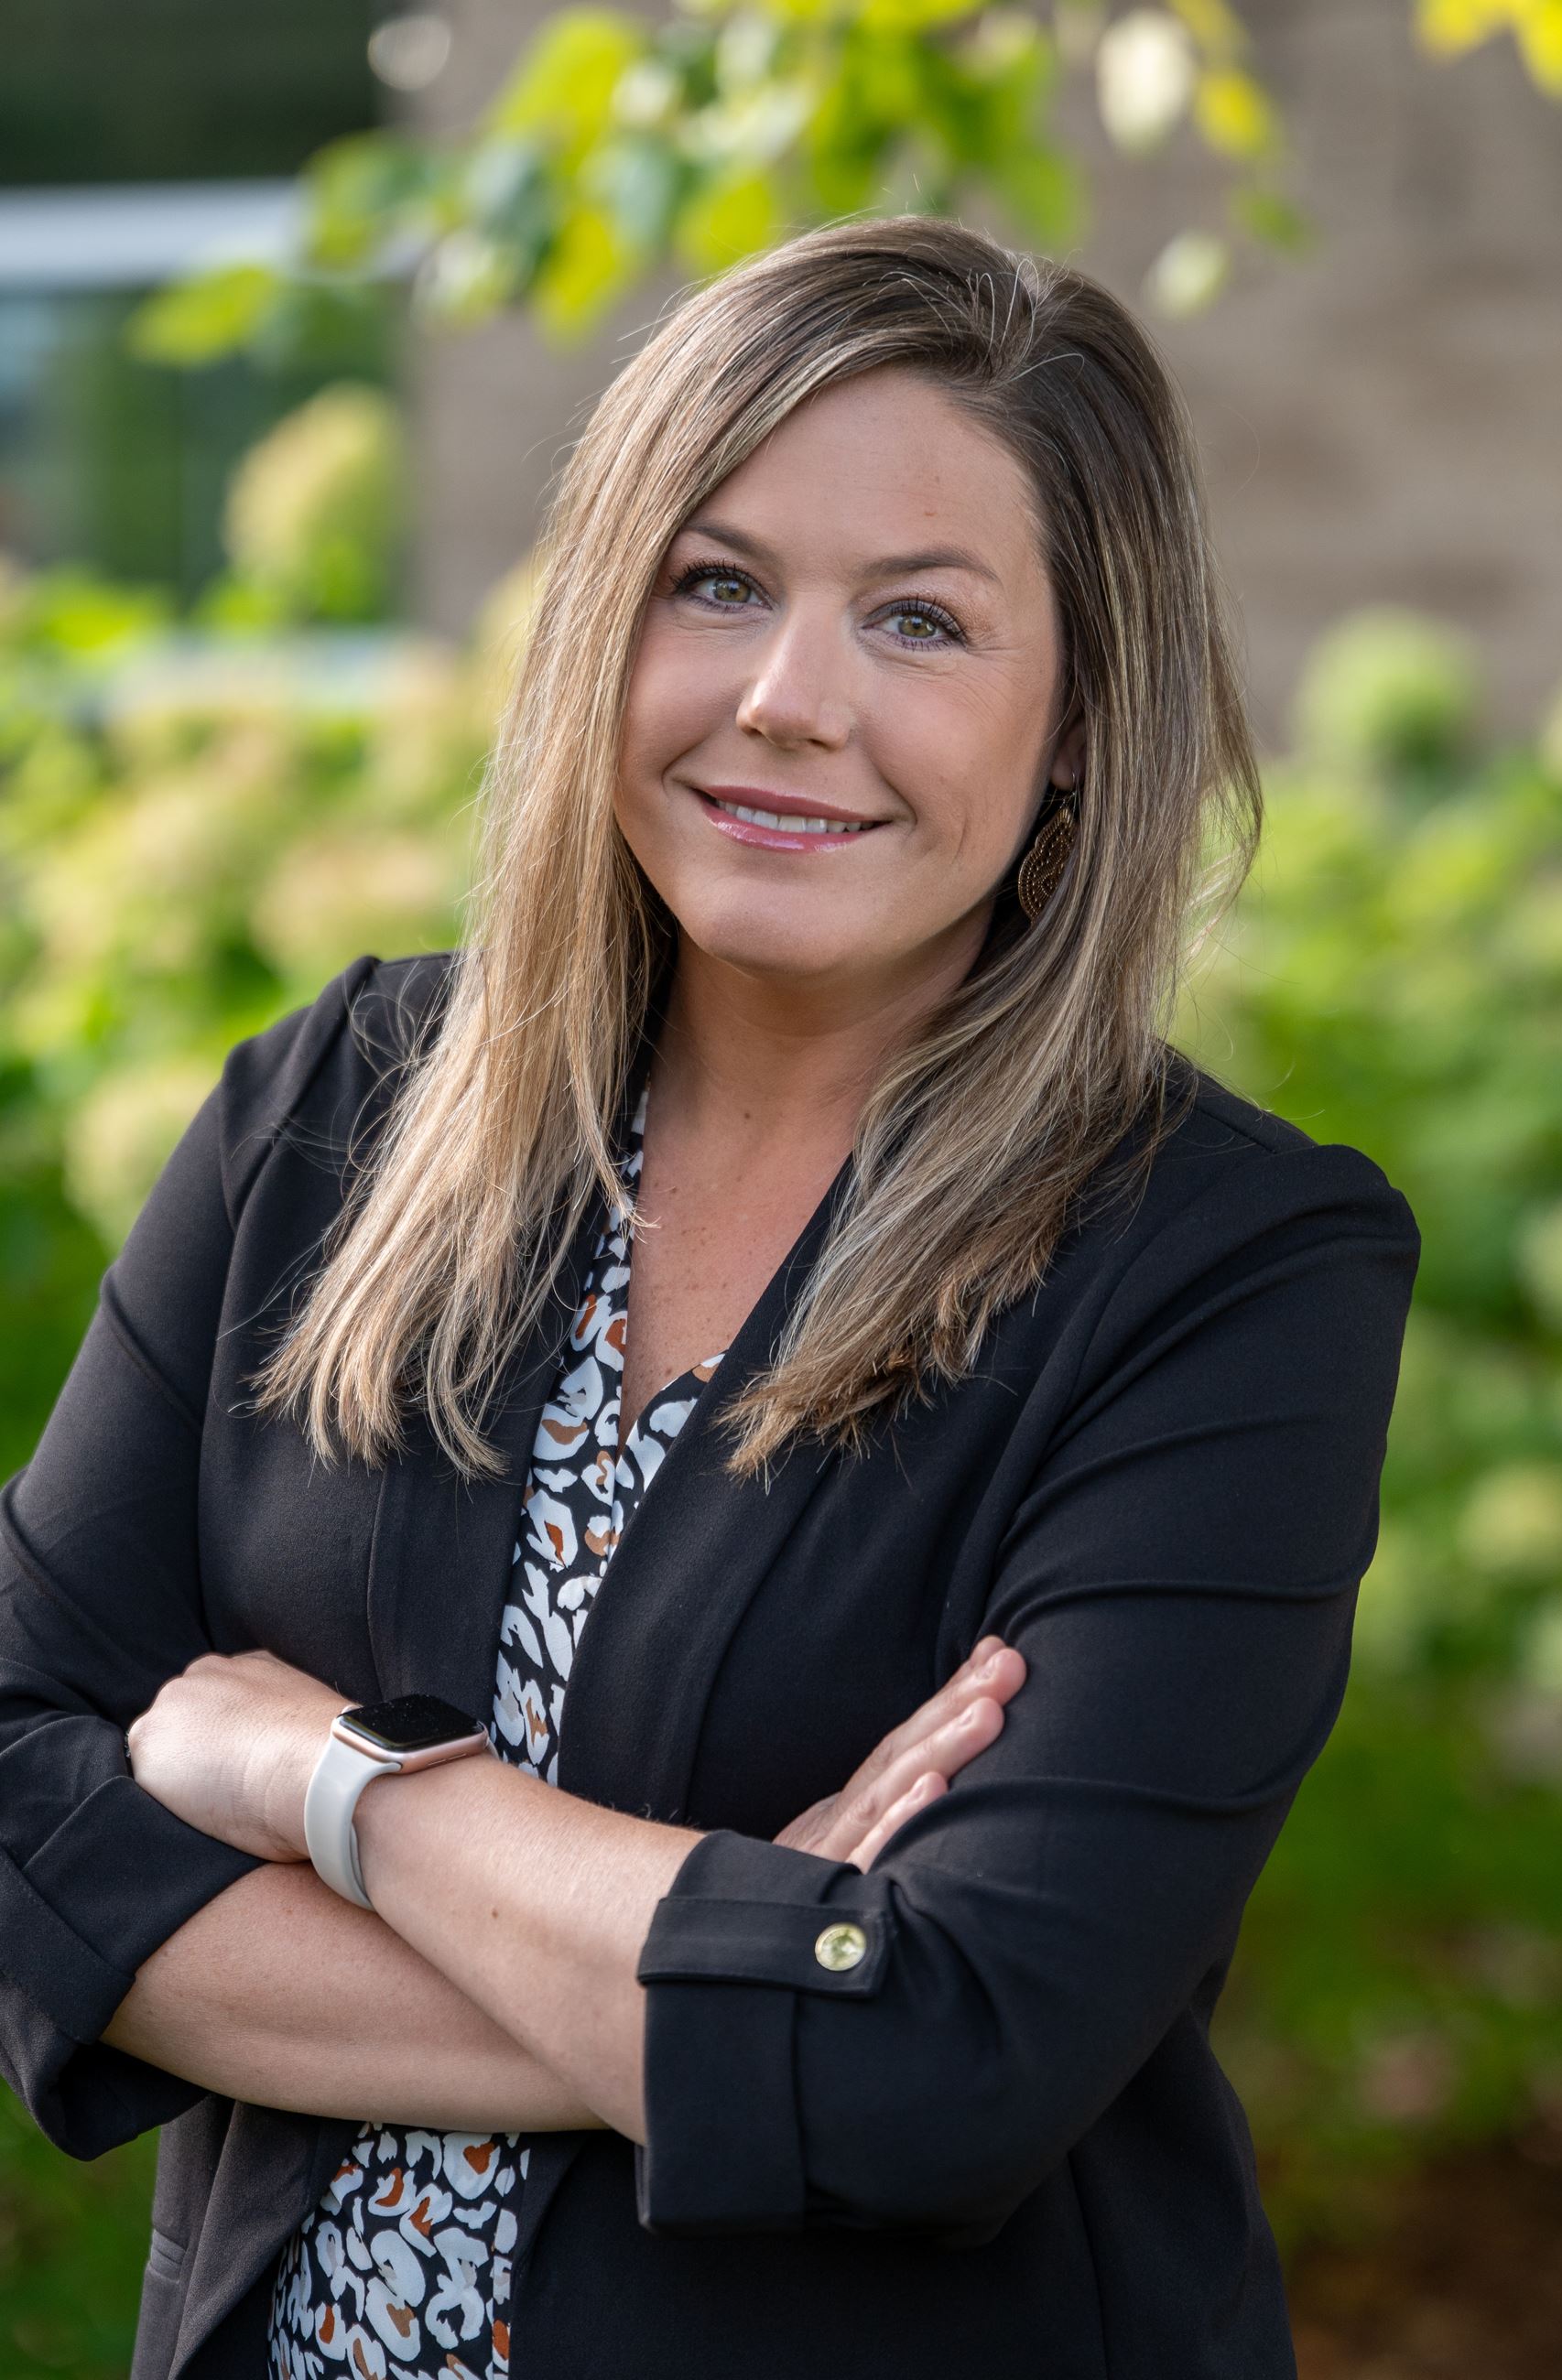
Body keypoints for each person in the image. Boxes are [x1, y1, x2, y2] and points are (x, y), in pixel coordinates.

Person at [0, 215, 1420, 2380]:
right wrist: (751, 1978)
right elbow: (19, 1805)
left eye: (922, 620)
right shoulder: (332, 1115)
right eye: (718, 579)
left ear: (1075, 732)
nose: (789, 699)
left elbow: (956, 2062)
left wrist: (334, 1783)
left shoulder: (1224, 1276)